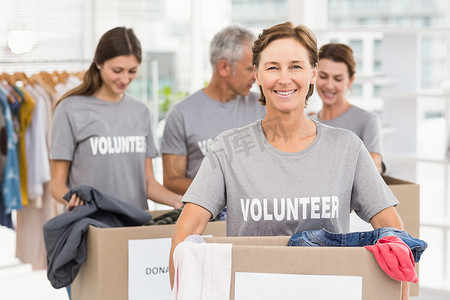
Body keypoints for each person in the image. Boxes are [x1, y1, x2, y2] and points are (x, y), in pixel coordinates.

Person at [169, 22, 409, 299]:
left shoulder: (347, 147)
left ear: (312, 74)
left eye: (296, 66)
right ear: (257, 75)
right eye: (273, 67)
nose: (284, 78)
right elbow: (187, 229)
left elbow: (393, 232)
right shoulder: (227, 148)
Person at [49, 27, 183, 213]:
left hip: (134, 226)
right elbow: (56, 184)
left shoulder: (141, 111)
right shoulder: (70, 110)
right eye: (117, 70)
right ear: (98, 63)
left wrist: (178, 201)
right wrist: (73, 200)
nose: (125, 79)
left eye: (132, 71)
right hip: (91, 226)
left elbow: (148, 182)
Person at [160, 25, 266, 198]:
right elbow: (172, 179)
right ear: (224, 67)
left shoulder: (264, 107)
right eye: (249, 69)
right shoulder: (182, 114)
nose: (256, 76)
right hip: (207, 220)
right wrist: (227, 194)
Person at [310, 43, 385, 173]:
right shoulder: (308, 121)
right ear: (314, 75)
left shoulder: (366, 120)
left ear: (350, 80)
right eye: (323, 76)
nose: (329, 85)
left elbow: (374, 168)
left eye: (338, 79)